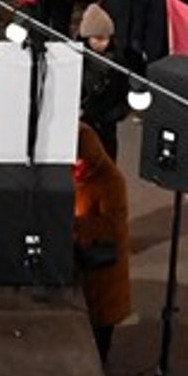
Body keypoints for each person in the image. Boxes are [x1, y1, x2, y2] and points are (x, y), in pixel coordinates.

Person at [72, 120, 131, 360]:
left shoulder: (111, 181)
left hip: (102, 269)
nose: (76, 168)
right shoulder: (78, 175)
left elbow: (112, 226)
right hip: (83, 261)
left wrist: (73, 226)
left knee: (100, 335)